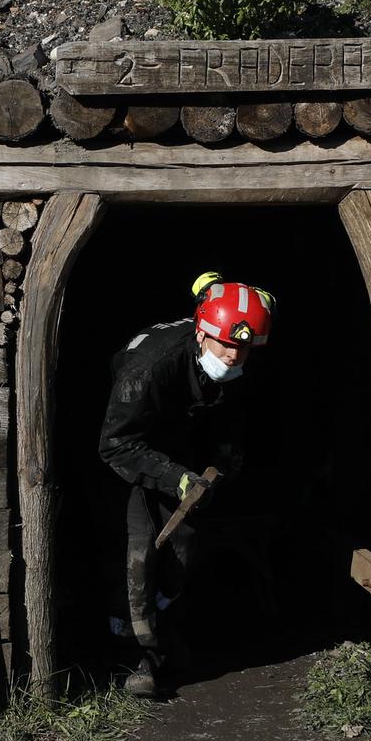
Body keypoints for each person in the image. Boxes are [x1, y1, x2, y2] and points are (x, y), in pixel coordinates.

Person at [98, 272, 275, 697]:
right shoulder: (147, 369)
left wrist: (224, 463)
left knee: (181, 547)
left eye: (244, 347)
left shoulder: (231, 367)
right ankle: (131, 656)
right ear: (202, 333)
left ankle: (164, 639)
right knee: (136, 553)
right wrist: (173, 476)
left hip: (179, 446)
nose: (234, 355)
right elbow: (115, 445)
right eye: (226, 344)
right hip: (127, 449)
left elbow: (231, 420)